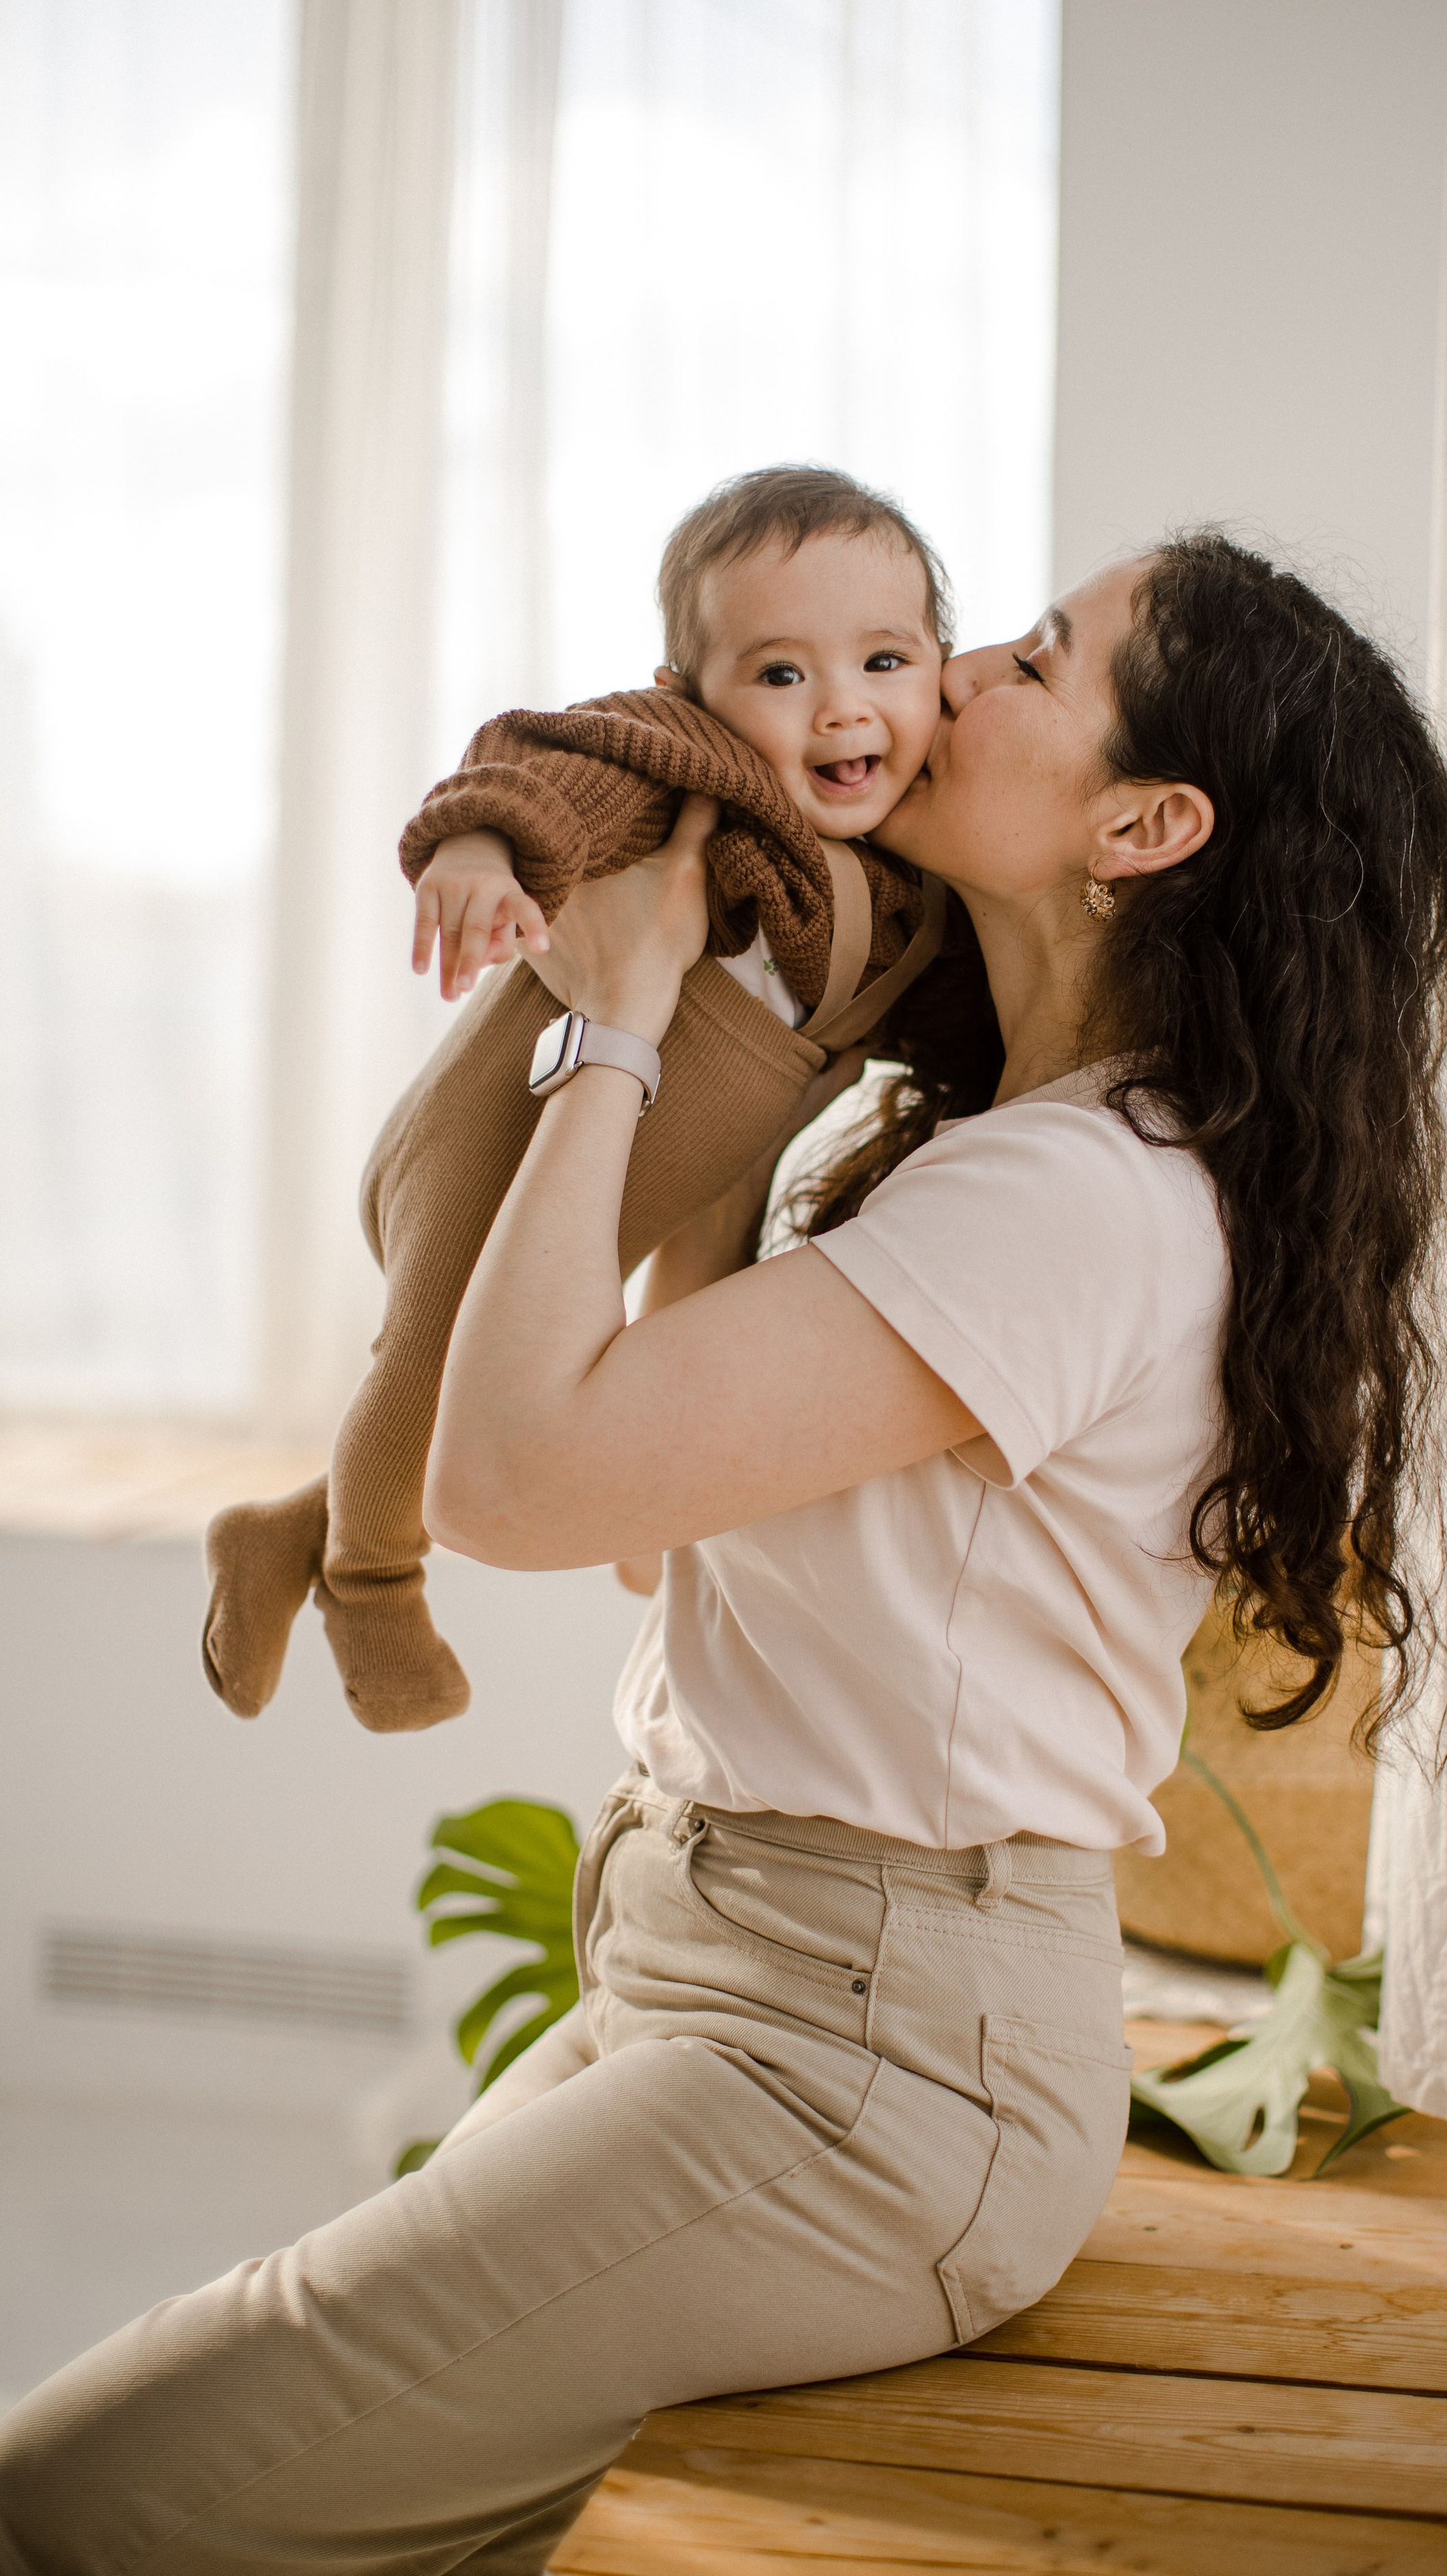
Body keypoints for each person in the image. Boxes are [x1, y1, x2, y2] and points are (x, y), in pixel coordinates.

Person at [0, 532, 1447, 2571]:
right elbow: (637, 1533)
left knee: (78, 2503)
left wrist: (612, 1024)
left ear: (1145, 822)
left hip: (867, 2063)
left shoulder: (1077, 1200)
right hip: (744, 1990)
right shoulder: (979, 1144)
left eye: (1040, 657)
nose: (954, 674)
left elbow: (516, 1490)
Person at [200, 465, 950, 1734]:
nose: (840, 710)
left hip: (630, 1183)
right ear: (692, 696)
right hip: (495, 1136)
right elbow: (543, 770)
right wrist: (481, 855)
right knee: (430, 1360)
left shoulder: (918, 888)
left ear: (942, 666)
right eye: (781, 675)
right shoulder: (688, 778)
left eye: (885, 661)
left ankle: (278, 1536)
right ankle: (371, 1581)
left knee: (524, 1367)